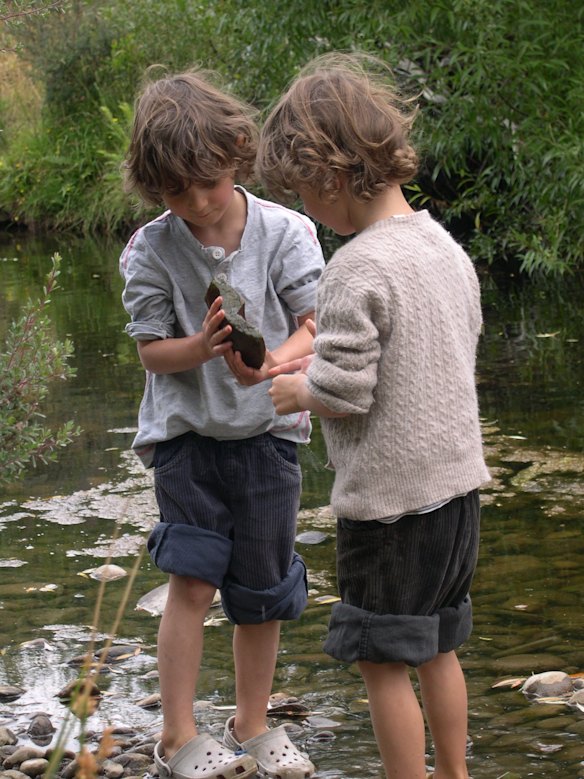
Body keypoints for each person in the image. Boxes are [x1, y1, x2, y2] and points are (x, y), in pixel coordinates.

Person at [256, 52, 491, 779]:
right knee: (440, 645)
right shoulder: (442, 245)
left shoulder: (354, 267)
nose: (306, 208)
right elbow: (446, 345)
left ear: (329, 174)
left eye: (303, 191)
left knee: (383, 660)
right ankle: (454, 773)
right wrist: (321, 364)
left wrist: (299, 390)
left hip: (390, 508)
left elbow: (346, 392)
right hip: (457, 491)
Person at [119, 67, 323, 779]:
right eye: (177, 192)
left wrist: (272, 365)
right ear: (154, 188)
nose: (199, 203)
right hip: (187, 439)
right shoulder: (149, 249)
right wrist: (202, 347)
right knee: (192, 581)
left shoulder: (287, 231)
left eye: (208, 182)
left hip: (269, 437)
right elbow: (151, 351)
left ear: (237, 153)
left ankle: (251, 723)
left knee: (263, 592)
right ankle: (177, 733)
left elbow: (315, 324)